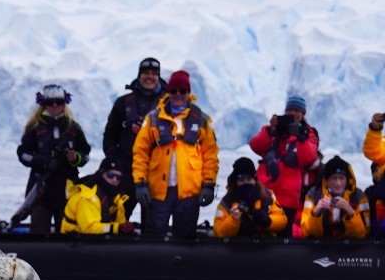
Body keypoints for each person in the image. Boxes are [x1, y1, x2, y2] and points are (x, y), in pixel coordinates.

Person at [131, 69, 218, 240]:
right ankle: (154, 266)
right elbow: (140, 153)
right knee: (153, 236)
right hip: (157, 191)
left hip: (189, 192)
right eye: (173, 91)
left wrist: (209, 184)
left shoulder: (201, 120)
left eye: (182, 91)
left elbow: (210, 155)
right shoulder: (153, 119)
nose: (178, 95)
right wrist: (140, 183)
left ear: (188, 92)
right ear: (168, 92)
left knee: (185, 238)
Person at [13, 83, 89, 234]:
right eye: (50, 102)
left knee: (68, 232)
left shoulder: (73, 127)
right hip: (41, 189)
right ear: (43, 104)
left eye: (58, 102)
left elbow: (85, 155)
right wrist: (44, 162)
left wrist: (75, 158)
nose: (55, 105)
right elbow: (23, 154)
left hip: (68, 191)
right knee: (39, 231)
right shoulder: (34, 127)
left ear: (64, 103)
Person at [101, 57, 165, 205]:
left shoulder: (167, 104)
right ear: (139, 75)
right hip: (125, 171)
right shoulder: (123, 103)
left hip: (156, 170)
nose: (150, 77)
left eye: (154, 73)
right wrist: (114, 159)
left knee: (152, 223)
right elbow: (110, 135)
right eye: (146, 73)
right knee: (119, 216)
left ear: (158, 77)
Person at [248, 94, 321, 213]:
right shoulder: (275, 129)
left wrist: (300, 137)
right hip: (264, 191)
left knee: (284, 229)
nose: (293, 113)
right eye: (290, 110)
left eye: (297, 110)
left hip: (288, 196)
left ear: (303, 114)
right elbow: (256, 146)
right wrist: (270, 131)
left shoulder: (308, 134)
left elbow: (308, 159)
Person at [212, 157, 287, 237]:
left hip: (265, 245)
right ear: (236, 182)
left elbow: (282, 220)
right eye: (241, 180)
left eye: (248, 179)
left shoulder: (267, 197)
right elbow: (218, 232)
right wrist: (233, 220)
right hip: (237, 246)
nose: (245, 182)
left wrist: (268, 221)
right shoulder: (226, 202)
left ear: (254, 179)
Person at [299, 155, 368, 239]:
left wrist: (350, 211)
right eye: (334, 178)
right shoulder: (313, 195)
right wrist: (316, 212)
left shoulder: (358, 197)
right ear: (326, 181)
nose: (338, 183)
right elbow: (306, 233)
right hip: (321, 247)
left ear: (347, 180)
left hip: (350, 248)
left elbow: (363, 233)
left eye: (341, 178)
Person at [61, 159, 134, 234]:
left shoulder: (116, 197)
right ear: (101, 173)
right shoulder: (87, 196)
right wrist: (117, 228)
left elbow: (120, 223)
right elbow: (89, 229)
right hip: (74, 241)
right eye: (111, 175)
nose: (114, 180)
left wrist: (125, 227)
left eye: (118, 177)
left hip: (98, 240)